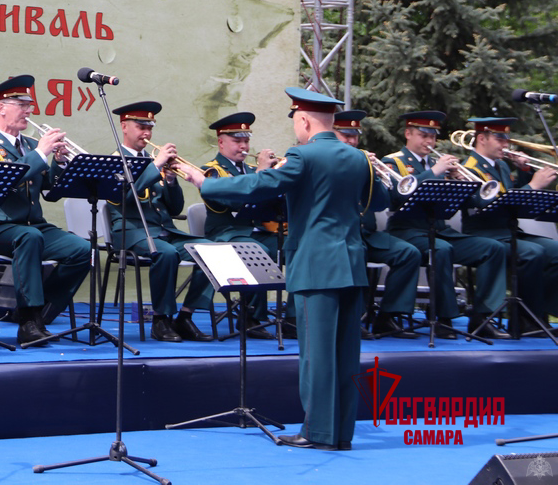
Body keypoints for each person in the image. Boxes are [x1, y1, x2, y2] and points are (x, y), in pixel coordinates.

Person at [177, 88, 387, 451]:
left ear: (303, 120)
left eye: (295, 122)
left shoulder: (302, 155)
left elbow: (259, 184)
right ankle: (341, 434)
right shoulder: (358, 158)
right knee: (345, 355)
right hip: (352, 265)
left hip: (316, 265)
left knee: (316, 355)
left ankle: (317, 432)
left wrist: (205, 182)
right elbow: (381, 200)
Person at [0, 75, 91, 346]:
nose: (29, 111)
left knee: (82, 250)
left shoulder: (32, 145)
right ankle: (28, 321)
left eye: (30, 105)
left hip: (32, 225)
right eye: (21, 105)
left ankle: (41, 311)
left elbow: (51, 191)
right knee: (29, 238)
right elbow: (2, 183)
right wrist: (41, 153)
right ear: (1, 108)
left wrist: (59, 162)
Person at [382, 111, 508, 340]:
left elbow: (475, 203)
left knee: (493, 248)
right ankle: (444, 318)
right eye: (423, 135)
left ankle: (482, 317)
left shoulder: (438, 165)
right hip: (407, 231)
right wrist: (434, 172)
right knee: (441, 249)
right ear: (408, 134)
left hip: (440, 231)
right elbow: (397, 196)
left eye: (432, 137)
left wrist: (463, 184)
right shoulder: (394, 161)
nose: (429, 142)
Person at [103, 100, 211, 342]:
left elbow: (174, 209)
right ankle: (160, 320)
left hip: (164, 231)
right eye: (141, 127)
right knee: (165, 253)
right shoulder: (114, 161)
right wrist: (157, 166)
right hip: (131, 232)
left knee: (211, 251)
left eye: (150, 127)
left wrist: (171, 180)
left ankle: (185, 316)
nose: (147, 133)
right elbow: (125, 197)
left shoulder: (154, 162)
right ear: (124, 126)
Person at [459, 116, 558, 332]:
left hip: (509, 231)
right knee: (532, 253)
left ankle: (538, 313)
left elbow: (515, 200)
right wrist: (533, 186)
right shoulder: (470, 168)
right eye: (500, 139)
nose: (506, 144)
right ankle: (524, 319)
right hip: (485, 233)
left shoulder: (501, 166)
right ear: (482, 139)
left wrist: (524, 172)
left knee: (555, 251)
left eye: (506, 139)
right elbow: (491, 206)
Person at [333, 110, 420, 339]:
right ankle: (355, 318)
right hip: (341, 234)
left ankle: (388, 316)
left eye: (355, 136)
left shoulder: (363, 162)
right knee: (357, 252)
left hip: (367, 233)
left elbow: (382, 203)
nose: (352, 141)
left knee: (409, 253)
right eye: (346, 135)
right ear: (333, 134)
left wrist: (375, 174)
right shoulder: (329, 163)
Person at [200, 111, 287, 339]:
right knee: (260, 250)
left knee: (296, 247)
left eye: (246, 141)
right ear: (221, 142)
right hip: (225, 233)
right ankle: (250, 317)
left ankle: (294, 318)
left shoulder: (249, 170)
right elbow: (232, 201)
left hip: (256, 232)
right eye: (237, 141)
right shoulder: (211, 170)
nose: (243, 147)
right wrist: (262, 173)